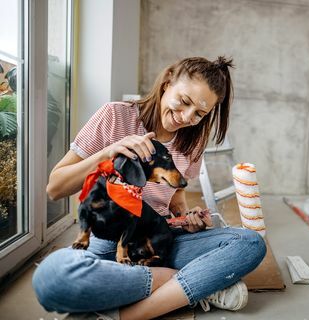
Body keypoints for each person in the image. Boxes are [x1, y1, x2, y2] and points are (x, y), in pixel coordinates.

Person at [32, 56, 267, 320]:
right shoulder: (114, 116)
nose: (188, 118)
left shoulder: (192, 143)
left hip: (159, 242)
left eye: (200, 113)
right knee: (50, 279)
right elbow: (55, 188)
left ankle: (130, 314)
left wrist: (188, 220)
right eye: (185, 102)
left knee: (250, 243)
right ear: (167, 83)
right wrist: (107, 154)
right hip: (108, 244)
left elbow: (175, 202)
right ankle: (185, 283)